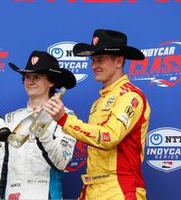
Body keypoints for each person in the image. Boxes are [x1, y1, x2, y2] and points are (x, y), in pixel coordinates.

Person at [43, 29, 151, 200]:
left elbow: (109, 137)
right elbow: (96, 154)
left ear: (119, 61)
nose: (94, 66)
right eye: (93, 60)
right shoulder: (98, 102)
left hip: (120, 189)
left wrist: (64, 119)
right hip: (93, 188)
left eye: (100, 60)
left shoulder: (131, 96)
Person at [0, 50, 77, 200]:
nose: (30, 81)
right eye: (27, 77)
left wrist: (41, 129)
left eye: (37, 77)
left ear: (51, 82)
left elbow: (61, 162)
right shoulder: (11, 118)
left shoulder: (66, 116)